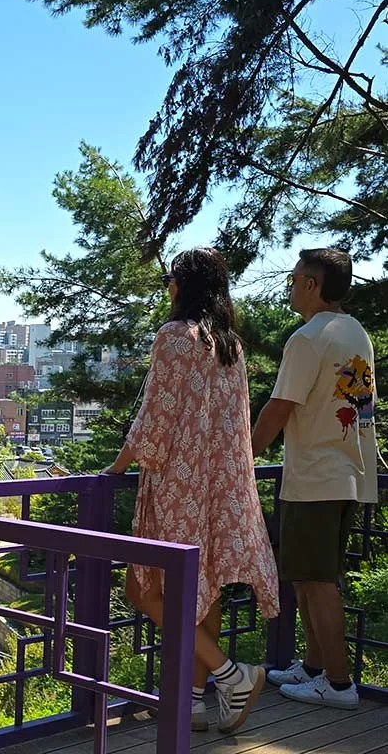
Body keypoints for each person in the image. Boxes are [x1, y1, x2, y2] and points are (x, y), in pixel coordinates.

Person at [103, 247, 280, 734]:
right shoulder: (229, 344)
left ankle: (230, 675)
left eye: (171, 279)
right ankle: (195, 702)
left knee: (145, 592)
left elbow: (154, 421)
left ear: (183, 285)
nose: (168, 288)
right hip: (221, 486)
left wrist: (116, 467)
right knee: (206, 589)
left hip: (179, 485)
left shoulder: (175, 338)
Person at [252, 248, 378, 710]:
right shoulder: (355, 332)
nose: (289, 284)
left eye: (294, 277)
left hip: (315, 476)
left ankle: (339, 684)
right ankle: (314, 667)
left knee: (318, 581)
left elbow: (280, 407)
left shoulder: (308, 338)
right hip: (349, 471)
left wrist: (244, 456)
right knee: (308, 576)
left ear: (311, 284)